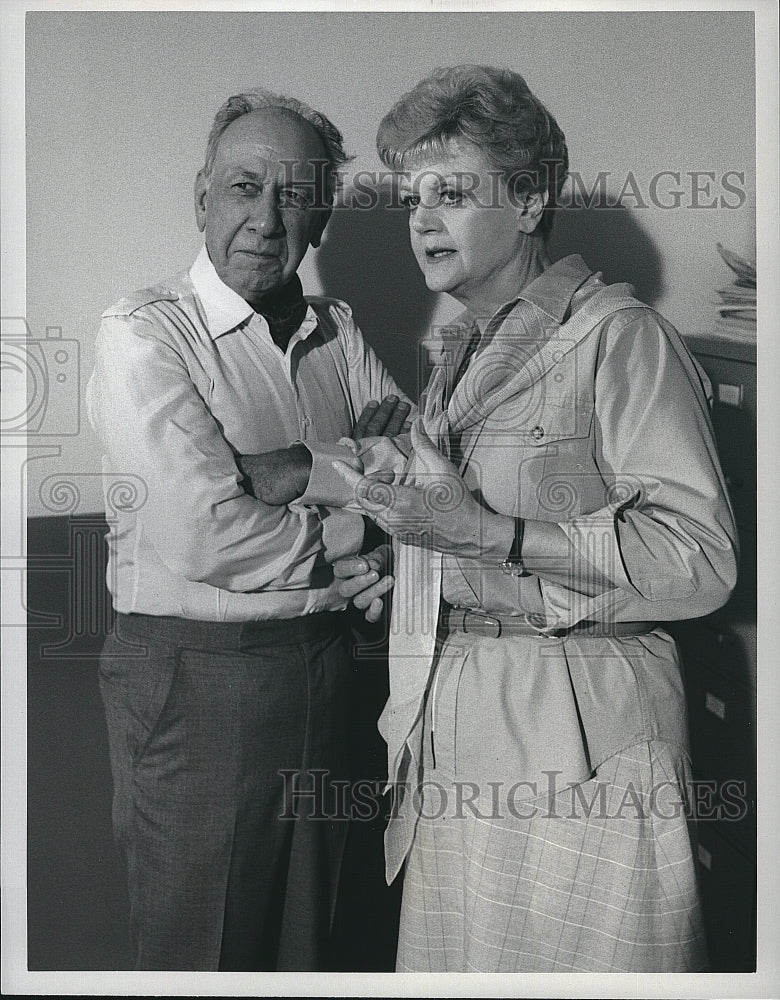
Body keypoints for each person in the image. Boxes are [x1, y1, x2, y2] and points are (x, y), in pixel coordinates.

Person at [333, 65, 738, 972]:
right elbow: (473, 528)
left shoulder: (620, 339)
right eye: (413, 198)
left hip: (580, 736)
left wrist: (487, 536)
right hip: (465, 723)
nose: (422, 219)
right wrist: (410, 566)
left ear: (528, 201)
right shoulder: (469, 350)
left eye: (450, 193)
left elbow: (701, 561)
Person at [86, 88, 412, 971]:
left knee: (321, 945)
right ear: (202, 197)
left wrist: (292, 467)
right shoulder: (144, 332)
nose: (265, 221)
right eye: (242, 188)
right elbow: (205, 536)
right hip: (199, 685)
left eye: (294, 195)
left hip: (334, 671)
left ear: (324, 219)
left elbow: (415, 473)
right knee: (207, 954)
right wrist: (345, 516)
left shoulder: (336, 332)